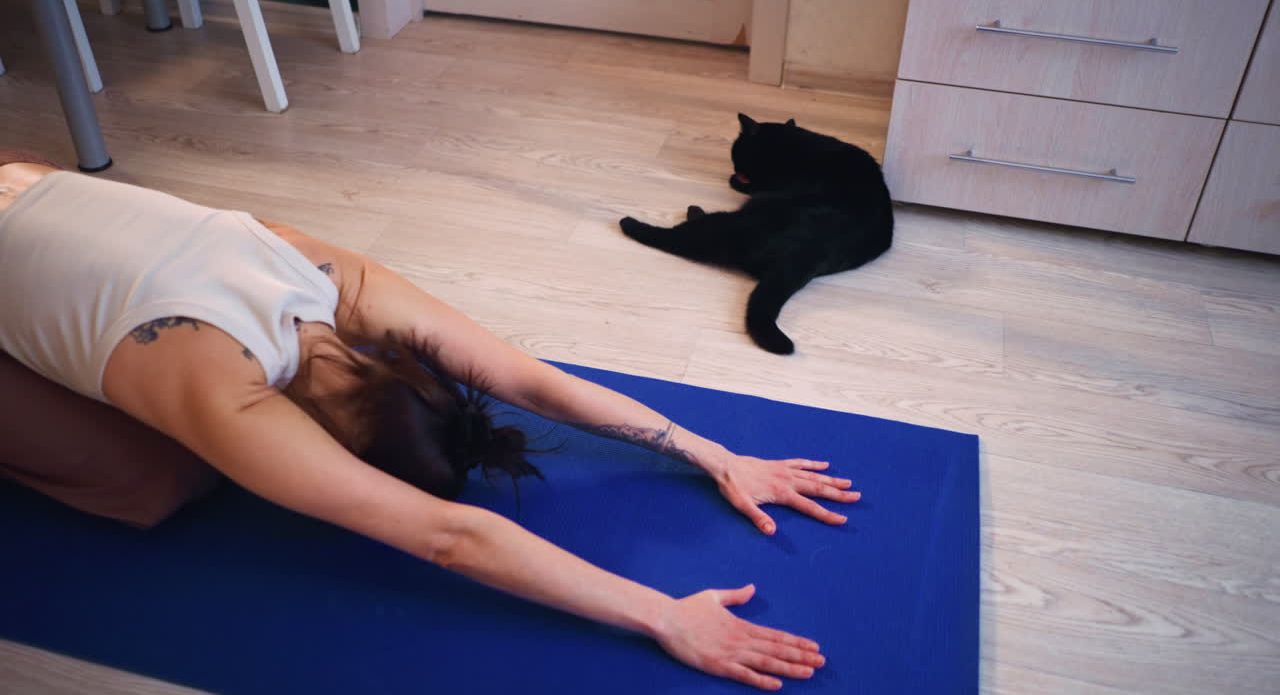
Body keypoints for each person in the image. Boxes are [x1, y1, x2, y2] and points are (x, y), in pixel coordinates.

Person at [0, 152, 861, 691]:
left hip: (26, 176)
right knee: (156, 483)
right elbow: (449, 539)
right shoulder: (221, 388)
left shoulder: (324, 276)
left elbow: (530, 380)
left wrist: (712, 454)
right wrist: (663, 614)